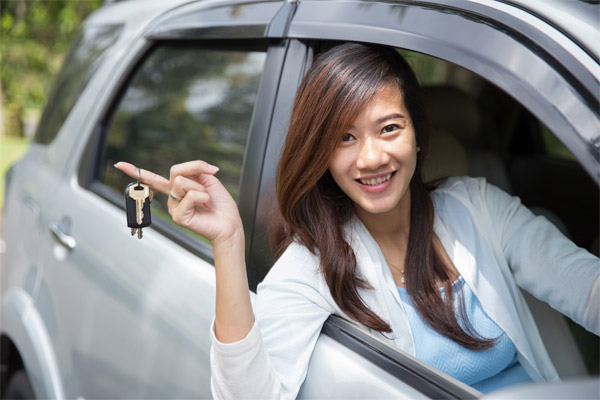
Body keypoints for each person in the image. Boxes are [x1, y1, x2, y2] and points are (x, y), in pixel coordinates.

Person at [115, 42, 599, 398]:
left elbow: (587, 289)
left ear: (417, 133)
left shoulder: (479, 208)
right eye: (344, 138)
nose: (371, 158)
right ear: (320, 153)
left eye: (389, 128)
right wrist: (227, 241)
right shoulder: (314, 265)